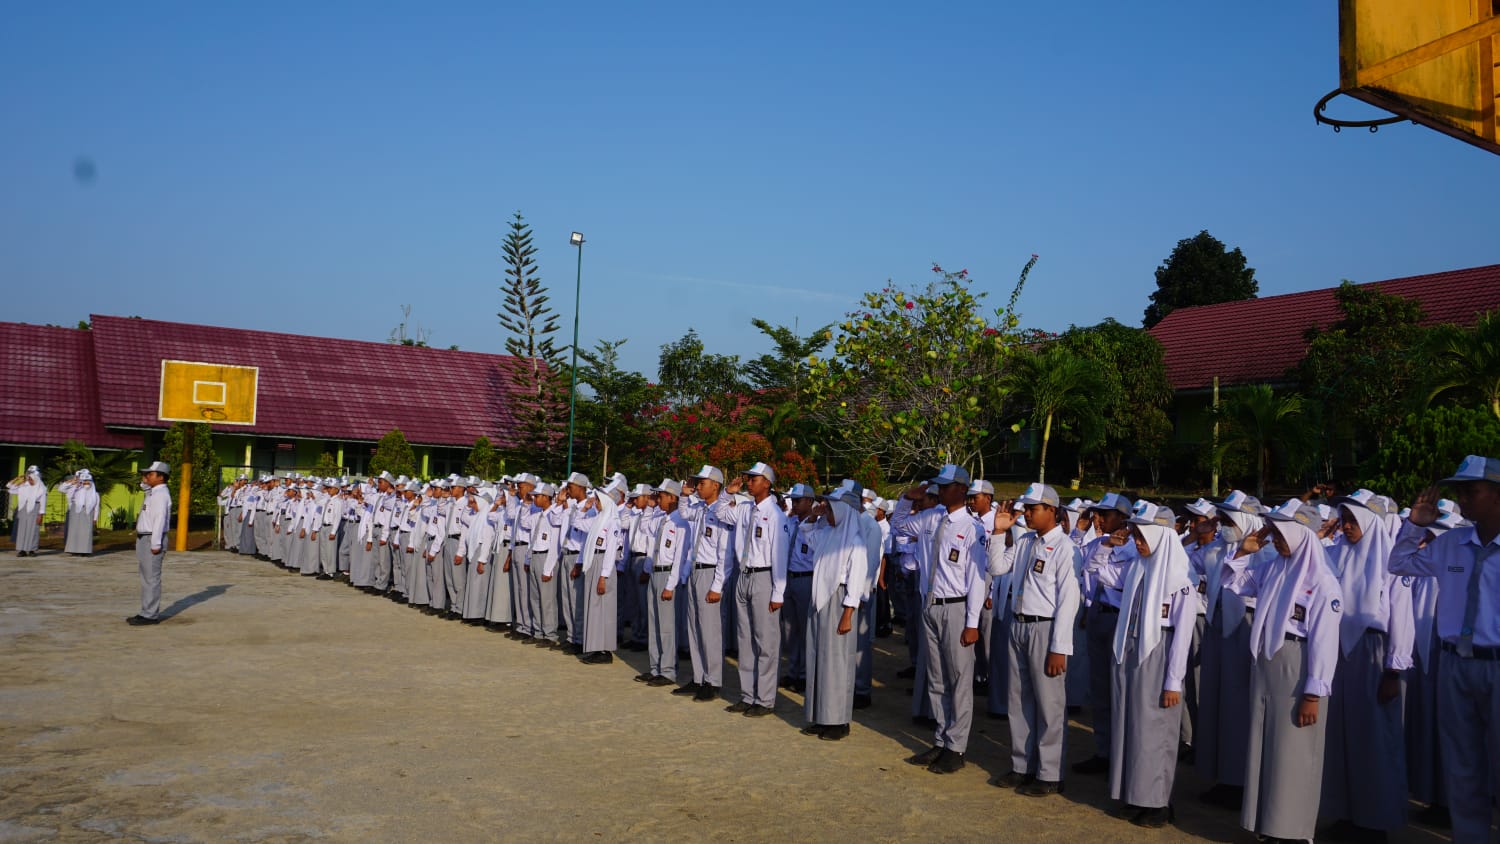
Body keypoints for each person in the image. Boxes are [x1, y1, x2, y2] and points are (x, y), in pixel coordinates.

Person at [1389, 455, 1500, 844]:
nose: (1462, 500)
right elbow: (1399, 563)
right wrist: (1414, 525)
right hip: (1454, 664)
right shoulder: (1452, 543)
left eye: (1471, 491)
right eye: (1459, 492)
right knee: (1463, 766)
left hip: (1497, 666)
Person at [1225, 499, 1342, 844]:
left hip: (1298, 663)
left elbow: (1324, 641)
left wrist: (1313, 693)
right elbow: (1237, 583)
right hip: (1267, 660)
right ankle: (1268, 823)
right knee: (1265, 744)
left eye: (1280, 531)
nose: (1274, 538)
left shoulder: (1323, 581)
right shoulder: (1276, 566)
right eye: (1273, 530)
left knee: (1293, 750)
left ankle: (1291, 831)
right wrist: (1244, 551)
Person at [1318, 488, 1413, 840]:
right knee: (1342, 736)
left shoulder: (1390, 559)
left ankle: (1374, 823)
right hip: (1339, 650)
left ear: (1370, 522)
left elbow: (1402, 618)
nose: (1346, 525)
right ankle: (1346, 813)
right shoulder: (1339, 552)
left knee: (1374, 740)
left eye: (1353, 519)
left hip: (1374, 654)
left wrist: (1394, 671)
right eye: (1344, 518)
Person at [988, 482, 1082, 796]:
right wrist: (999, 533)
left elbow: (1069, 601)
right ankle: (1021, 765)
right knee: (1019, 699)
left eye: (1033, 508)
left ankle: (1050, 773)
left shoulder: (1066, 549)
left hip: (1046, 627)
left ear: (1052, 510)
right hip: (1019, 624)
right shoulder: (1027, 541)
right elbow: (997, 566)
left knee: (1049, 704)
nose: (1026, 513)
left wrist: (1059, 648)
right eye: (1025, 508)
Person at [1108, 501, 1195, 828]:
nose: (1136, 540)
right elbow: (1097, 571)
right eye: (1135, 533)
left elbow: (1183, 634)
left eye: (1142, 534)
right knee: (1132, 728)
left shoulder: (1180, 578)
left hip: (1159, 657)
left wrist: (1174, 681)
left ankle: (1157, 802)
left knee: (1155, 732)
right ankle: (1135, 794)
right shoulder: (1138, 567)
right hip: (1131, 655)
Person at [902, 465, 989, 774]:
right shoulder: (931, 517)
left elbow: (977, 579)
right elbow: (899, 525)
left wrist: (971, 623)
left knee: (959, 679)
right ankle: (940, 739)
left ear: (962, 490)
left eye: (947, 486)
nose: (940, 490)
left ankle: (956, 746)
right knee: (937, 678)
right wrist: (906, 498)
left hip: (956, 607)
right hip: (931, 605)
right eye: (939, 485)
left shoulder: (973, 528)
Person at [800, 483, 879, 740]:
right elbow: (806, 533)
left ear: (844, 511)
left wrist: (847, 614)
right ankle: (820, 716)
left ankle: (838, 722)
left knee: (836, 663)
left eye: (831, 508)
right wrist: (815, 514)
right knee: (818, 658)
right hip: (820, 599)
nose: (827, 513)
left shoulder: (854, 542)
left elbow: (855, 581)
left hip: (840, 602)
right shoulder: (828, 534)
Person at [721, 463, 789, 717]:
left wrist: (778, 591)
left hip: (764, 577)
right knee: (745, 639)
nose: (749, 482)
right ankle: (748, 695)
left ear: (767, 483)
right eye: (748, 479)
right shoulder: (746, 509)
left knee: (766, 642)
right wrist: (728, 493)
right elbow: (720, 513)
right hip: (744, 575)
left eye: (754, 479)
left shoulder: (775, 514)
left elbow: (779, 554)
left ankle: (765, 699)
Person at [1073, 492, 1134, 776]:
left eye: (1105, 514)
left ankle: (1122, 753)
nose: (1098, 519)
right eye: (1098, 513)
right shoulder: (1099, 543)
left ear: (1123, 517)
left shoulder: (1136, 546)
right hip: (1098, 612)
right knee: (1099, 687)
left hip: (1121, 618)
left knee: (1120, 688)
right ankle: (1103, 751)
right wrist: (1107, 545)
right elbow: (1088, 568)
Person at [674, 465, 734, 703]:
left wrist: (717, 586)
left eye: (702, 483)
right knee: (694, 628)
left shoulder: (722, 513)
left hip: (711, 574)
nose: (698, 486)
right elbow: (684, 513)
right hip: (696, 571)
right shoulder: (699, 508)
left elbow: (725, 555)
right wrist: (684, 495)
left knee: (710, 631)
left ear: (716, 486)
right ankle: (699, 677)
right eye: (697, 483)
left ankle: (713, 680)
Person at [639, 479, 693, 686]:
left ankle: (668, 670)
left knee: (667, 626)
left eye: (661, 496)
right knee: (655, 623)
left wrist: (671, 585)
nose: (657, 498)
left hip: (668, 574)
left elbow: (680, 556)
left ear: (673, 497)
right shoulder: (663, 518)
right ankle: (656, 667)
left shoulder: (681, 521)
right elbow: (645, 528)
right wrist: (649, 508)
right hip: (655, 572)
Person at [780, 484, 818, 694]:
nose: (793, 503)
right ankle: (793, 670)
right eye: (792, 500)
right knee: (789, 629)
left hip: (806, 578)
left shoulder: (817, 524)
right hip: (789, 576)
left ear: (810, 502)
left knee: (805, 629)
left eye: (798, 500)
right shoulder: (790, 521)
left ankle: (805, 674)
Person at [128, 461, 173, 626]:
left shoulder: (161, 495)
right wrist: (145, 479)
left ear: (161, 477)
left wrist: (155, 544)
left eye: (150, 474)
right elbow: (144, 486)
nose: (146, 477)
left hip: (152, 538)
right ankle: (146, 611)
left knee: (151, 578)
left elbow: (159, 520)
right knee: (146, 577)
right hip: (144, 538)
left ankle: (150, 614)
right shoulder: (153, 492)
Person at [7, 466, 46, 556]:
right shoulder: (24, 486)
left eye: (31, 478)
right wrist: (17, 479)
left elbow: (43, 503)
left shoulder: (41, 488)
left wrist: (41, 515)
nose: (30, 480)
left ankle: (32, 550)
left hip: (35, 509)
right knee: (22, 530)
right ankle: (22, 550)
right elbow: (10, 488)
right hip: (23, 509)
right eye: (29, 478)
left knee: (33, 530)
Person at [60, 470, 100, 555]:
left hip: (88, 513)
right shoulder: (76, 489)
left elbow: (96, 508)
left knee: (85, 533)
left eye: (88, 481)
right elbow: (61, 488)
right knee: (75, 531)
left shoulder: (95, 494)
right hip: (76, 511)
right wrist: (71, 482)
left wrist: (95, 519)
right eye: (84, 481)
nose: (86, 483)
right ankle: (74, 550)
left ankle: (85, 551)